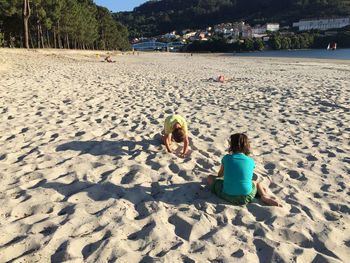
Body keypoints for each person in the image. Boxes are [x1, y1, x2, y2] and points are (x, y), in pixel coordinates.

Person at [207, 133, 280, 206]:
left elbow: (220, 175)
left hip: (227, 195)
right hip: (246, 197)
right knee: (256, 183)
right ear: (246, 146)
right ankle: (264, 196)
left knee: (210, 178)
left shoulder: (227, 158)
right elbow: (246, 178)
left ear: (231, 145)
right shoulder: (250, 161)